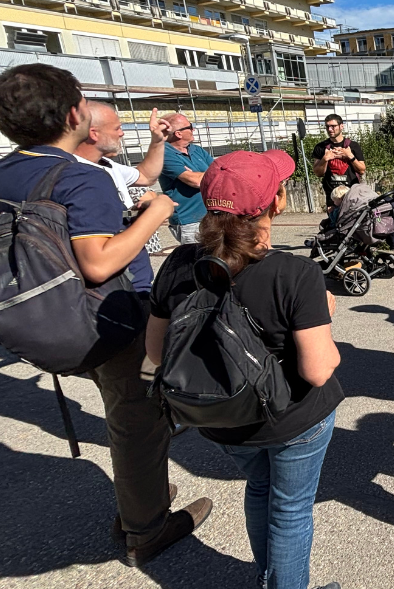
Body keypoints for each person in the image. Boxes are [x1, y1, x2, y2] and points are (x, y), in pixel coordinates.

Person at [0, 64, 212, 567]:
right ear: (74, 114)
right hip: (108, 316)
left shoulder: (7, 169)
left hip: (55, 312)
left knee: (128, 410)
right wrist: (155, 213)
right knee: (136, 421)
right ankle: (147, 528)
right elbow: (99, 260)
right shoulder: (81, 178)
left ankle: (142, 498)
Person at [146, 149, 343, 589]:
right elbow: (318, 370)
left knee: (259, 488)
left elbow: (156, 352)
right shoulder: (295, 272)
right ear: (276, 203)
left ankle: (267, 577)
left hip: (221, 417)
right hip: (292, 418)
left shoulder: (179, 264)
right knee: (290, 508)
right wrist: (323, 314)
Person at [74, 103, 169, 253]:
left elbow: (146, 176)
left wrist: (157, 141)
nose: (121, 133)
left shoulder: (107, 164)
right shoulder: (75, 173)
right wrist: (157, 211)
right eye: (117, 128)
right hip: (113, 263)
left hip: (130, 263)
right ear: (94, 133)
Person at [158, 112, 214, 244]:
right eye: (190, 126)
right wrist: (205, 175)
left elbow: (220, 174)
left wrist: (198, 174)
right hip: (189, 221)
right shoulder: (162, 153)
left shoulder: (196, 150)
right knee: (197, 260)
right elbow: (194, 181)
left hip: (210, 216)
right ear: (178, 133)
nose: (193, 129)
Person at [312, 114, 366, 207]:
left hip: (351, 194)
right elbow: (318, 173)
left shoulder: (353, 146)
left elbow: (362, 170)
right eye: (327, 126)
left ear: (341, 126)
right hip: (332, 197)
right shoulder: (320, 147)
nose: (329, 129)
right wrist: (325, 159)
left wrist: (350, 156)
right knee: (334, 221)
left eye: (333, 126)